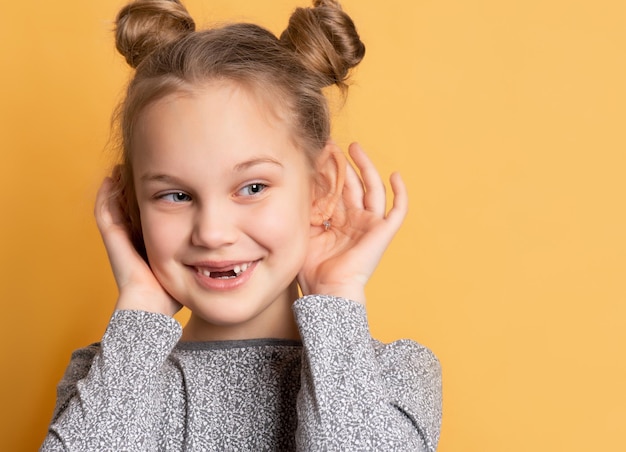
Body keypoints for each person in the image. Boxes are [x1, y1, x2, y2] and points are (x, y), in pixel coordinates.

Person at [40, 0, 442, 450]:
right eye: (175, 195)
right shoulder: (107, 377)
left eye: (252, 187)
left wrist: (337, 297)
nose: (212, 232)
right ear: (130, 205)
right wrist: (140, 312)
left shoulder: (395, 374)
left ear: (320, 186)